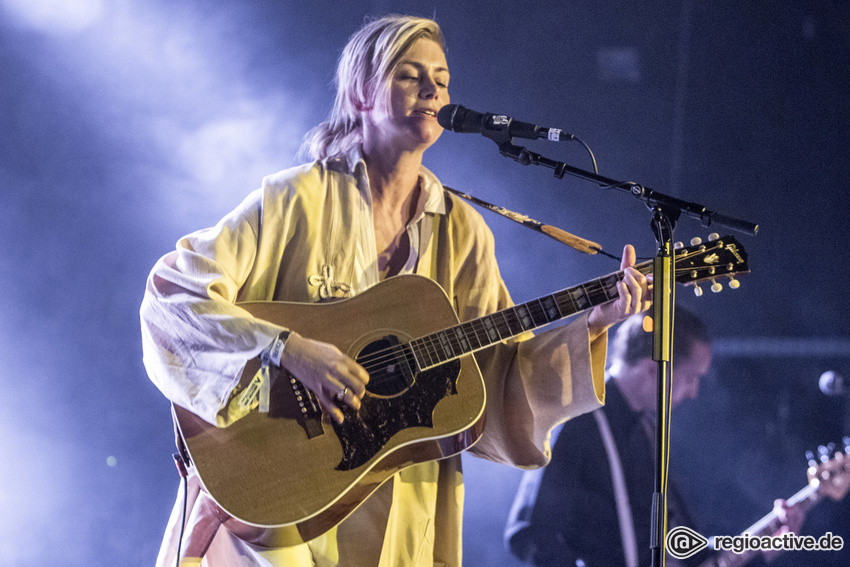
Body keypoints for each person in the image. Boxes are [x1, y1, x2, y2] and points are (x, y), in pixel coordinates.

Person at [140, 14, 650, 567]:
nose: (433, 90)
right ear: (362, 92)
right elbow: (174, 294)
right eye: (410, 75)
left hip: (403, 501)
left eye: (442, 78)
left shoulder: (463, 232)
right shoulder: (293, 200)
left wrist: (592, 324)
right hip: (282, 495)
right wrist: (289, 348)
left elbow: (499, 373)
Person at [504, 310, 803, 567]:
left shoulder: (648, 435)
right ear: (653, 368)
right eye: (690, 377)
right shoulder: (576, 423)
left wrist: (765, 545)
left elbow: (683, 550)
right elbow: (531, 534)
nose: (694, 391)